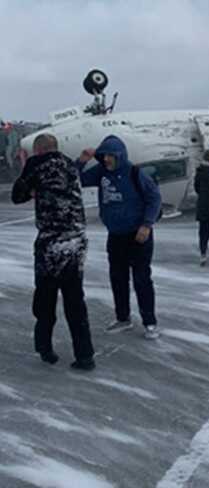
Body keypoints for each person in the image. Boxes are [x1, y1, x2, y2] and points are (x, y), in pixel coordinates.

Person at [11, 134, 95, 370]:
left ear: (38, 150)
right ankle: (85, 355)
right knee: (75, 300)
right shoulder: (69, 165)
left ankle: (45, 348)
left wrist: (25, 170)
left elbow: (17, 196)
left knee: (45, 299)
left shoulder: (37, 164)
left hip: (51, 243)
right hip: (76, 241)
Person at [77, 135, 162, 339]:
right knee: (118, 278)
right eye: (103, 156)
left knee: (141, 279)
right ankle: (123, 318)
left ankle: (149, 321)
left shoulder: (136, 173)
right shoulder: (101, 172)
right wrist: (81, 161)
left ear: (120, 156)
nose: (106, 160)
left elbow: (154, 198)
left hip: (138, 235)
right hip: (116, 235)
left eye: (110, 156)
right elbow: (76, 179)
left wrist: (146, 225)